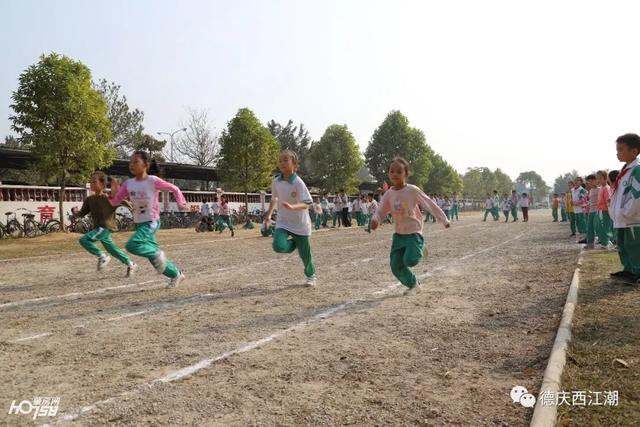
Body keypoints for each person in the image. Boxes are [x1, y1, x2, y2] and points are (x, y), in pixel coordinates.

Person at [369, 157, 450, 295]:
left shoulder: (412, 190)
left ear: (406, 174)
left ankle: (419, 246)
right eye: (391, 171)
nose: (394, 174)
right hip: (399, 234)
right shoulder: (388, 194)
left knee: (410, 260)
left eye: (399, 171)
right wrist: (375, 220)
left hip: (414, 232)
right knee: (395, 266)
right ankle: (414, 284)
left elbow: (429, 204)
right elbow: (380, 210)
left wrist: (444, 219)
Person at [109, 151, 186, 288]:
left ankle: (157, 253)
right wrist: (114, 190)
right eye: (130, 162)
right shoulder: (128, 184)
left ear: (146, 164)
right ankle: (176, 274)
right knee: (153, 259)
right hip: (139, 223)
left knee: (132, 245)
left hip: (151, 221)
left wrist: (181, 202)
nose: (131, 165)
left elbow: (174, 188)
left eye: (135, 162)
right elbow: (115, 202)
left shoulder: (153, 181)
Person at [264, 150, 317, 287]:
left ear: (295, 165)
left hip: (300, 224)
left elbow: (308, 203)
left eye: (286, 160)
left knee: (305, 255)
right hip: (283, 221)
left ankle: (311, 276)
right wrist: (269, 216)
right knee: (278, 246)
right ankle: (295, 244)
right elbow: (274, 198)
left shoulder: (298, 183)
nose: (282, 163)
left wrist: (293, 207)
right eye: (280, 160)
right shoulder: (276, 181)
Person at [71, 171, 136, 276]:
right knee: (113, 250)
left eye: (94, 182)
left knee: (84, 239)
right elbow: (82, 213)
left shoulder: (107, 198)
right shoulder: (89, 200)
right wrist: (75, 212)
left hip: (105, 228)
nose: (92, 184)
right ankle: (130, 263)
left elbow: (121, 201)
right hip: (99, 229)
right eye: (90, 182)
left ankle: (102, 256)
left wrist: (133, 207)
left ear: (102, 184)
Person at [609, 133, 640, 285]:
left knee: (634, 246)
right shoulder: (624, 171)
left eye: (621, 149)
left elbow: (637, 196)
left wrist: (627, 212)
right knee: (622, 245)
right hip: (621, 219)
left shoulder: (637, 170)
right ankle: (628, 269)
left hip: (632, 219)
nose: (617, 153)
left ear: (634, 152)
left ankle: (638, 271)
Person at [596, 170, 613, 249]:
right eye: (597, 178)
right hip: (600, 210)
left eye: (600, 178)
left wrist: (610, 211)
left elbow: (608, 201)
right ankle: (605, 241)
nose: (598, 180)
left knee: (605, 227)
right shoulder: (601, 188)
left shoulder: (606, 188)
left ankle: (605, 243)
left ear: (605, 178)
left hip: (605, 211)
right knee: (600, 226)